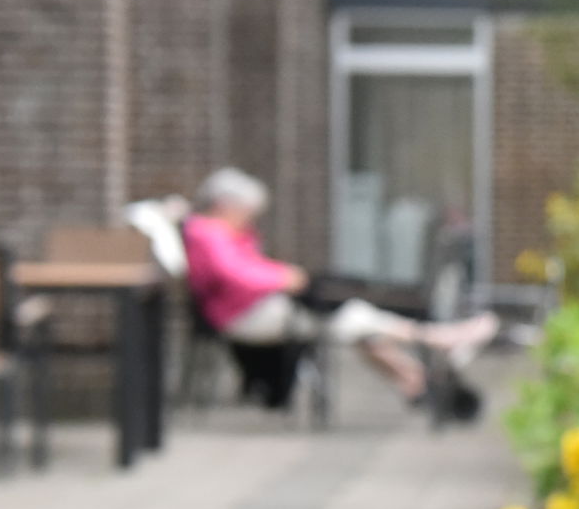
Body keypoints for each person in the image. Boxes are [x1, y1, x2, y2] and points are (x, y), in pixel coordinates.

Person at [183, 168, 496, 404]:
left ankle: (416, 376)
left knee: (353, 316)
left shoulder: (223, 232)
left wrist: (283, 274)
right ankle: (435, 339)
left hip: (262, 307)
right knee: (351, 315)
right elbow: (234, 272)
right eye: (245, 212)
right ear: (225, 205)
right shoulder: (208, 233)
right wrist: (282, 277)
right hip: (246, 315)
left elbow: (248, 266)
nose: (248, 219)